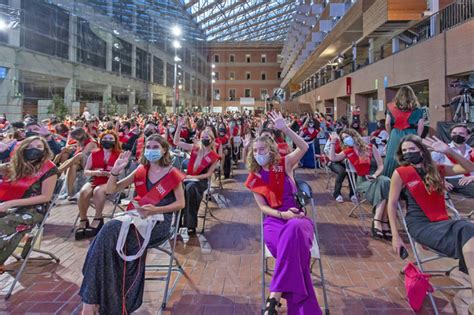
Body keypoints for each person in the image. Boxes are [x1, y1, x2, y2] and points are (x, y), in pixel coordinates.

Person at [79, 135, 185, 314]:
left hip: (158, 222)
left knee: (109, 233)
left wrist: (156, 210)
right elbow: (112, 189)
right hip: (134, 217)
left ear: (164, 150)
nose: (151, 149)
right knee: (108, 240)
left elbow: (181, 204)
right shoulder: (140, 170)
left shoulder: (172, 173)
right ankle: (98, 301)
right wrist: (115, 172)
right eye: (148, 146)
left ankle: (91, 301)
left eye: (155, 146)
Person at [245, 111, 321, 315]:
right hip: (274, 222)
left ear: (270, 149)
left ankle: (274, 297)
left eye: (261, 149)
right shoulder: (254, 177)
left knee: (295, 227)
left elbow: (304, 147)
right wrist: (281, 216)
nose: (258, 153)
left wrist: (286, 129)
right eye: (255, 150)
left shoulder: (285, 164)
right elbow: (262, 207)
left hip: (297, 217)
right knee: (295, 253)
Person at [387, 135, 474, 313]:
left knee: (468, 229)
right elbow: (392, 203)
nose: (408, 153)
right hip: (420, 225)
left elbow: (469, 168)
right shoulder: (401, 172)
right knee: (465, 227)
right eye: (405, 151)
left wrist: (449, 151)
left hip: (441, 221)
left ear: (421, 150)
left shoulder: (436, 169)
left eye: (412, 149)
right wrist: (396, 237)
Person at [0, 136, 58, 272]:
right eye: (31, 146)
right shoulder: (16, 164)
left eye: (39, 147)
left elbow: (45, 197)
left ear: (45, 151)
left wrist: (10, 203)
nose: (34, 149)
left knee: (3, 224)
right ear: (23, 148)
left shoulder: (49, 168)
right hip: (9, 205)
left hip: (32, 211)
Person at [329, 128, 391, 240]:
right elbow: (333, 158)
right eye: (344, 139)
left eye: (347, 136)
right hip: (363, 180)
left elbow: (381, 166)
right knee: (385, 184)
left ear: (354, 136)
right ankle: (384, 220)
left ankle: (377, 219)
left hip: (375, 177)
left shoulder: (370, 148)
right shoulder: (348, 151)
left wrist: (375, 175)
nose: (346, 139)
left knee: (385, 181)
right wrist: (333, 142)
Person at [174, 117, 219, 234]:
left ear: (212, 139)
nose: (204, 139)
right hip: (187, 178)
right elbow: (176, 142)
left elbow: (208, 174)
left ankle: (190, 224)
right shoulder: (195, 148)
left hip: (200, 181)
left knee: (190, 189)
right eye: (203, 137)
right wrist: (179, 127)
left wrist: (193, 178)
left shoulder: (214, 157)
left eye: (207, 137)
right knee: (179, 188)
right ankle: (177, 222)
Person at [75, 131, 121, 240]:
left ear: (115, 141)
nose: (108, 141)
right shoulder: (94, 153)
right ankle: (83, 219)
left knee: (98, 191)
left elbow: (120, 173)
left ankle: (98, 217)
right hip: (95, 179)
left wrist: (111, 173)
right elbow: (86, 171)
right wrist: (96, 172)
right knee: (83, 192)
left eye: (111, 139)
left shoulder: (119, 155)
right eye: (105, 138)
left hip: (110, 181)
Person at [383, 86, 424, 177]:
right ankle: (412, 179)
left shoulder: (391, 107)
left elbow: (387, 124)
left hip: (395, 134)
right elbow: (421, 125)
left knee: (392, 157)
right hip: (411, 133)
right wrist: (417, 137)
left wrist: (391, 135)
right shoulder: (418, 109)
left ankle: (391, 180)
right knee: (411, 156)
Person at [431, 124, 474, 198]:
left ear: (468, 136)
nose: (457, 135)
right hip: (452, 179)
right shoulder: (442, 149)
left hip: (470, 179)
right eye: (454, 133)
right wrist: (440, 180)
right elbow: (428, 166)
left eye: (461, 133)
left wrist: (473, 177)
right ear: (450, 135)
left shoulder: (472, 150)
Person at [58, 128, 98, 202]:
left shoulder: (91, 142)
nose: (75, 138)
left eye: (76, 136)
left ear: (82, 134)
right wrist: (68, 148)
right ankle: (69, 194)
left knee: (79, 155)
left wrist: (74, 149)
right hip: (82, 163)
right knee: (73, 166)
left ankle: (59, 170)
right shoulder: (80, 142)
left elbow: (83, 154)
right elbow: (75, 150)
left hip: (92, 164)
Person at [323, 134, 355, 203]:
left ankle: (353, 193)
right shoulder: (334, 139)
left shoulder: (351, 141)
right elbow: (326, 150)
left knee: (352, 170)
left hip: (346, 161)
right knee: (342, 171)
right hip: (334, 161)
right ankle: (337, 193)